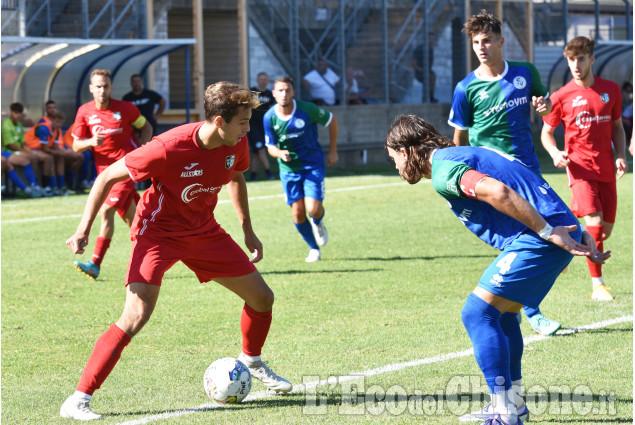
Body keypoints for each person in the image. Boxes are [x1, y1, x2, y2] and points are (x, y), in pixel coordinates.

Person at [60, 81, 293, 421]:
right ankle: (78, 399)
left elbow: (236, 177)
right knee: (135, 316)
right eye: (243, 121)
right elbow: (107, 176)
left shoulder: (235, 142)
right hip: (157, 234)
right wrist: (83, 229)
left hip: (204, 231)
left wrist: (247, 229)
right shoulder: (167, 148)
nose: (248, 128)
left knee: (262, 298)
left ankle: (252, 361)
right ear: (219, 122)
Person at [386, 114, 608, 425]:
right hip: (552, 233)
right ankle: (511, 406)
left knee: (477, 313)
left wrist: (549, 231)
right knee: (503, 316)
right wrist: (572, 226)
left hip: (539, 239)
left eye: (393, 156)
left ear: (406, 151)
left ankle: (504, 413)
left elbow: (499, 192)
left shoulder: (444, 170)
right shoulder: (463, 154)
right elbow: (527, 178)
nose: (395, 166)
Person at [448, 9, 560, 337]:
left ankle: (516, 306)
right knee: (525, 238)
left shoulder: (525, 73)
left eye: (486, 41)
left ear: (501, 41)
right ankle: (531, 311)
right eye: (476, 42)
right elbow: (460, 138)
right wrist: (461, 172)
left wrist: (545, 106)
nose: (481, 48)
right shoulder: (465, 88)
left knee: (548, 237)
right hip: (493, 177)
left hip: (528, 171)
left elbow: (545, 103)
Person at [541, 36, 628, 302]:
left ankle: (567, 239)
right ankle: (597, 285)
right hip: (578, 169)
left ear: (591, 59)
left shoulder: (611, 90)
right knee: (596, 226)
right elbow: (546, 132)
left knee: (605, 231)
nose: (575, 65)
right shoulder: (561, 96)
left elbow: (617, 127)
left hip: (605, 170)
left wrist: (621, 156)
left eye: (580, 59)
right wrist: (555, 152)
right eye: (571, 60)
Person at [70, 69, 152, 280]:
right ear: (91, 88)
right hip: (104, 174)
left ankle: (95, 264)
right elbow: (75, 146)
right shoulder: (84, 112)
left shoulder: (126, 108)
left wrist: (141, 153)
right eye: (98, 86)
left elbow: (146, 127)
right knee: (136, 222)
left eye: (106, 86)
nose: (102, 90)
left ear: (111, 87)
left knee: (106, 211)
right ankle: (153, 254)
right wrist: (90, 142)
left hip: (126, 169)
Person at [264, 76, 338, 262]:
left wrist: (333, 151)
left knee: (313, 209)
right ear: (273, 93)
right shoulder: (269, 117)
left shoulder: (307, 109)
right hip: (289, 170)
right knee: (297, 213)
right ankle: (313, 248)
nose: (284, 94)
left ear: (293, 92)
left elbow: (332, 120)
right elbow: (270, 147)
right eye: (280, 90)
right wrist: (280, 153)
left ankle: (318, 222)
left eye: (287, 90)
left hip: (312, 165)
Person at [24, 109, 79, 196]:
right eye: (57, 122)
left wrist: (66, 152)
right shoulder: (44, 128)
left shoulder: (56, 130)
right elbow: (46, 149)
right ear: (52, 120)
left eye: (61, 123)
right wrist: (61, 153)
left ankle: (61, 186)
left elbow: (56, 147)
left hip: (40, 149)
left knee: (60, 157)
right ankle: (47, 186)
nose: (59, 125)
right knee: (49, 158)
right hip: (29, 148)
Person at [1, 102, 45, 197]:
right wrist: (25, 151)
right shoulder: (6, 125)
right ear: (11, 112)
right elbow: (11, 145)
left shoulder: (19, 125)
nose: (17, 115)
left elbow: (23, 143)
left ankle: (32, 185)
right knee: (25, 160)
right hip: (7, 152)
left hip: (15, 151)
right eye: (15, 113)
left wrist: (30, 152)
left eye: (19, 113)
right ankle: (32, 185)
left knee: (34, 156)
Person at [247, 72, 275, 181]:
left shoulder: (270, 94)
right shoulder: (252, 92)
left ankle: (253, 175)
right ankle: (269, 173)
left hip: (265, 126)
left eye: (265, 79)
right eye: (261, 79)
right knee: (262, 150)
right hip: (253, 126)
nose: (263, 81)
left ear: (267, 81)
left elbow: (272, 109)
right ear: (257, 80)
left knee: (258, 153)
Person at [411, 32, 438, 103]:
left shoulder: (431, 49)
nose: (431, 40)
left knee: (433, 76)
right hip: (419, 71)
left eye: (433, 39)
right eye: (430, 38)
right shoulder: (419, 49)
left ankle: (431, 97)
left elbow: (432, 60)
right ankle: (426, 97)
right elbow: (414, 64)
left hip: (427, 70)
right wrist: (422, 70)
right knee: (429, 77)